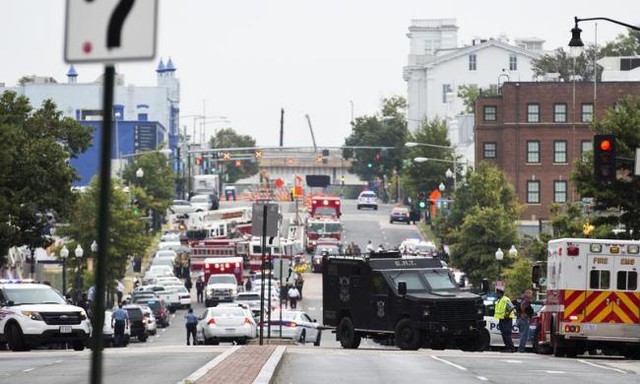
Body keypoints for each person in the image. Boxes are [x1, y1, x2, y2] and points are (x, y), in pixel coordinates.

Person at [494, 288, 516, 352]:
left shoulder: (505, 299)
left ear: (500, 293)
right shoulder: (499, 300)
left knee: (507, 334)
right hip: (502, 319)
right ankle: (507, 348)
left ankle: (511, 348)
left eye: (497, 293)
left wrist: (507, 314)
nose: (496, 295)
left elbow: (511, 307)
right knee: (504, 334)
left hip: (507, 319)